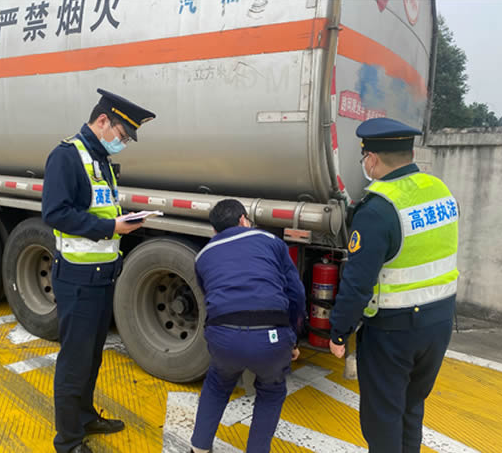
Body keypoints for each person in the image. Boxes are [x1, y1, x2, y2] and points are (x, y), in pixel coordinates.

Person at [328, 117, 459, 453]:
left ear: (371, 159)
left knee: (383, 418)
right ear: (410, 153)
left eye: (364, 158)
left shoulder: (378, 209)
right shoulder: (441, 191)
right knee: (411, 408)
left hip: (393, 332)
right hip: (440, 322)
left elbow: (357, 284)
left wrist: (339, 332)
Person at [42, 88, 155, 453]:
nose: (123, 143)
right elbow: (55, 213)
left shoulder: (100, 159)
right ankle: (68, 440)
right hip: (76, 278)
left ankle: (85, 416)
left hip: (102, 275)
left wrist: (122, 220)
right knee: (74, 361)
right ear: (103, 121)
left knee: (91, 356)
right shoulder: (66, 156)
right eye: (122, 135)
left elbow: (97, 207)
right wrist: (111, 227)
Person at [189, 199, 306, 453]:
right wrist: (293, 339)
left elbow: (211, 297)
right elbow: (296, 293)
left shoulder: (203, 255)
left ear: (215, 230)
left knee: (217, 384)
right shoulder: (271, 241)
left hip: (224, 338)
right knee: (272, 392)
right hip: (271, 337)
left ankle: (198, 448)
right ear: (243, 219)